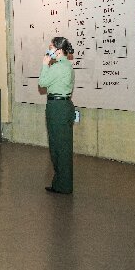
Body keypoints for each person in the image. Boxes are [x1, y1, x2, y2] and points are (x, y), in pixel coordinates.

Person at [38, 37, 75, 195]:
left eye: (51, 47)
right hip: (64, 106)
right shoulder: (66, 65)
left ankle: (63, 185)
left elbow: (42, 83)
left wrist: (45, 65)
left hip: (57, 108)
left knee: (58, 148)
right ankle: (61, 183)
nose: (49, 50)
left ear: (59, 50)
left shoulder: (58, 67)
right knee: (63, 146)